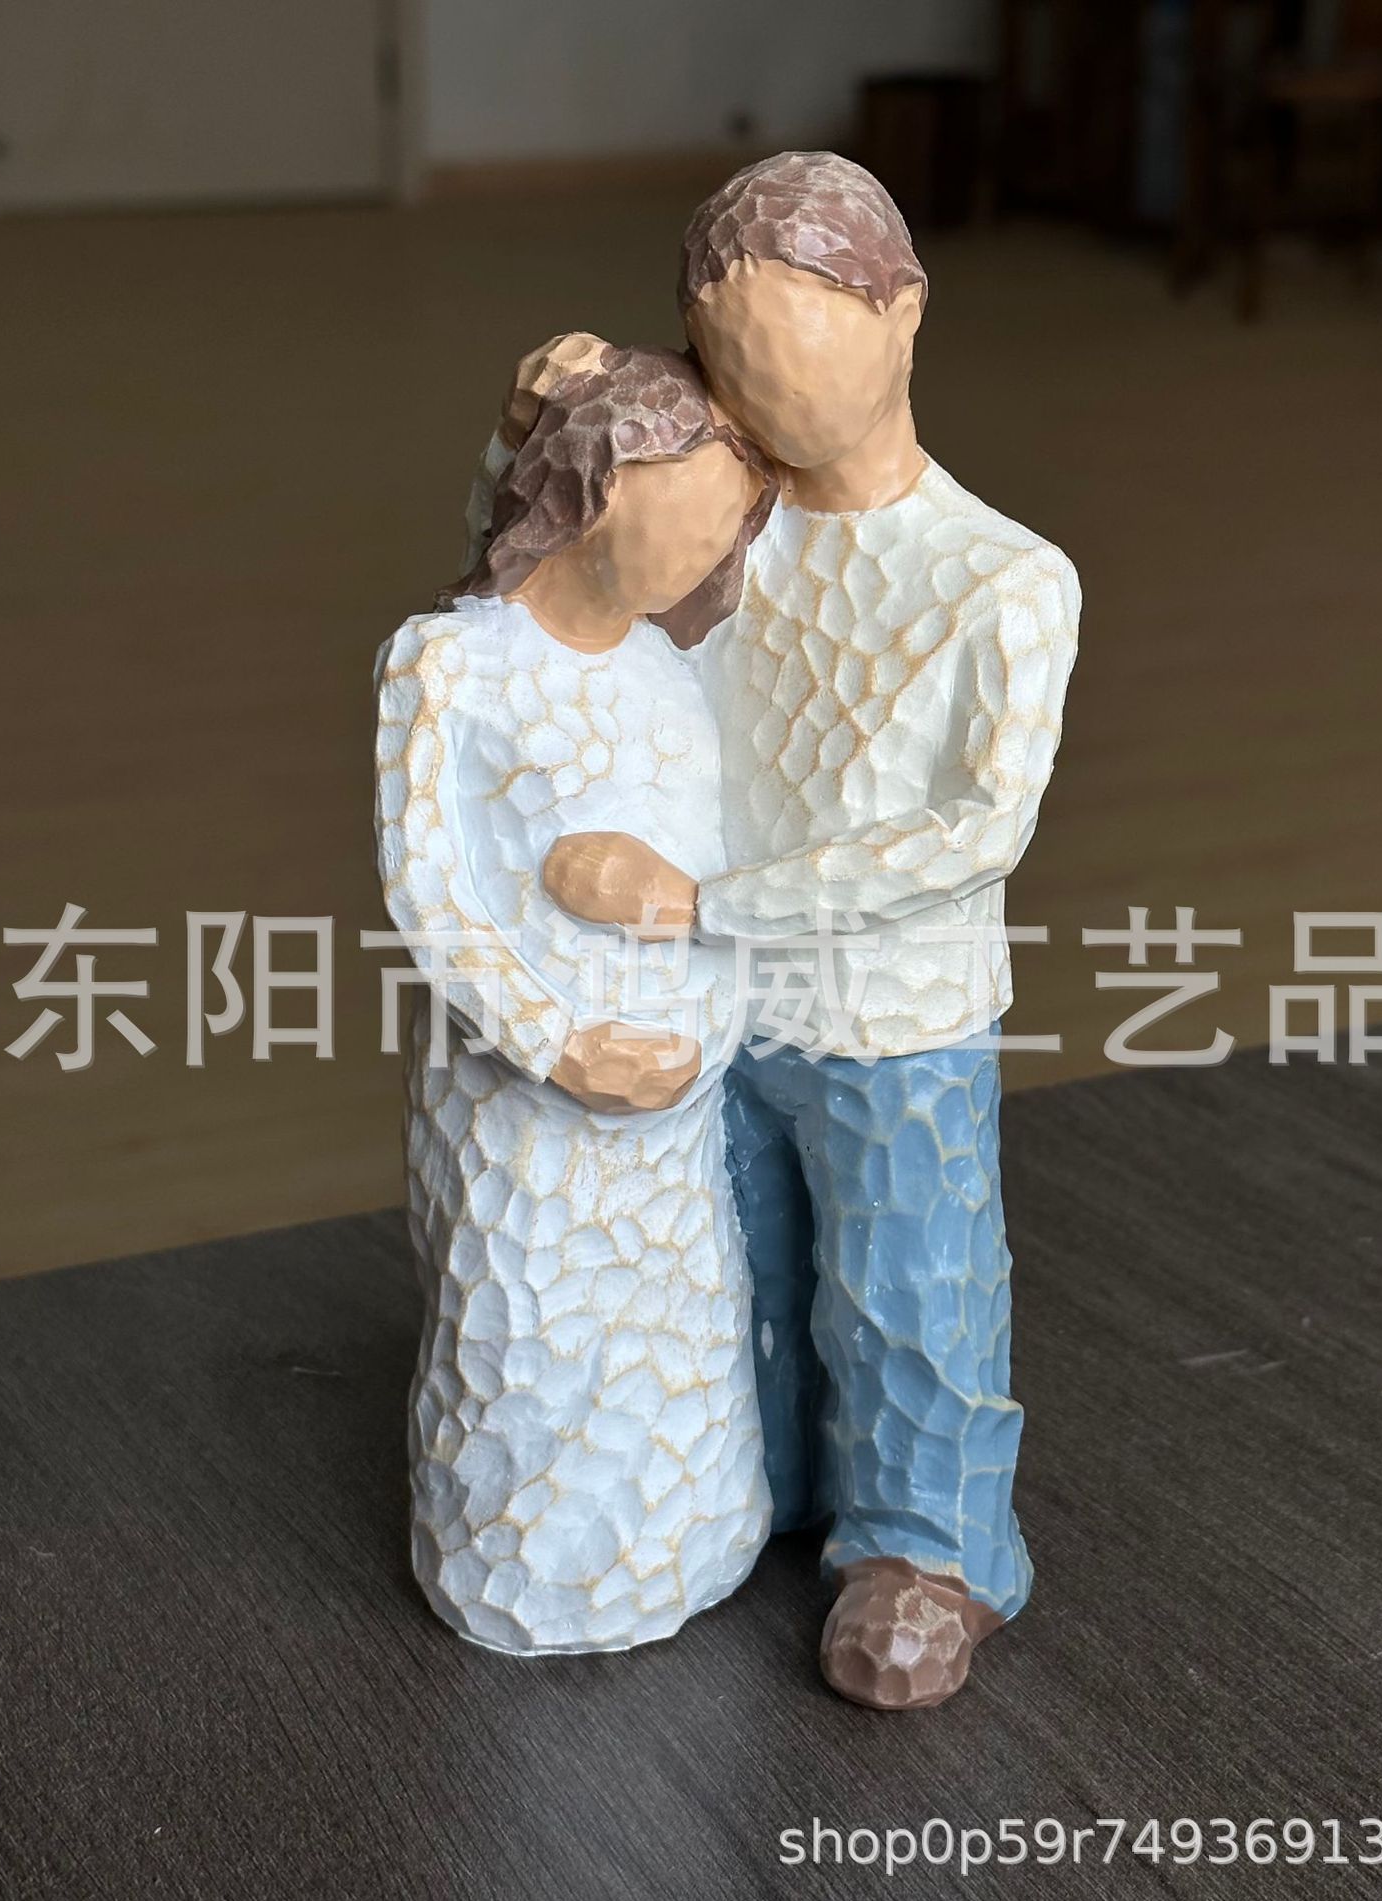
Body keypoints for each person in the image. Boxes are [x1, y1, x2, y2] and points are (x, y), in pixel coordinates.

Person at [543, 154, 1082, 1707]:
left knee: (909, 1286)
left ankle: (928, 1548)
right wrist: (553, 445)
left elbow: (972, 835)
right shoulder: (726, 529)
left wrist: (709, 902)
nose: (765, 397)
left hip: (892, 1016)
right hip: (718, 1004)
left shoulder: (1003, 581)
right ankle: (752, 1481)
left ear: (904, 313)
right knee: (735, 1271)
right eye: (730, 362)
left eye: (798, 348)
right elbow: (552, 600)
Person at [374, 345, 772, 1654]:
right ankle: (520, 1568)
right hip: (525, 1111)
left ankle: (693, 1541)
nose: (707, 559)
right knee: (526, 1345)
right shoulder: (449, 665)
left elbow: (716, 871)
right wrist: (560, 1044)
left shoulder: (668, 673)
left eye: (723, 531)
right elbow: (434, 896)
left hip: (672, 1106)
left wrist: (706, 1032)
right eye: (690, 525)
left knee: (680, 1332)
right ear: (593, 499)